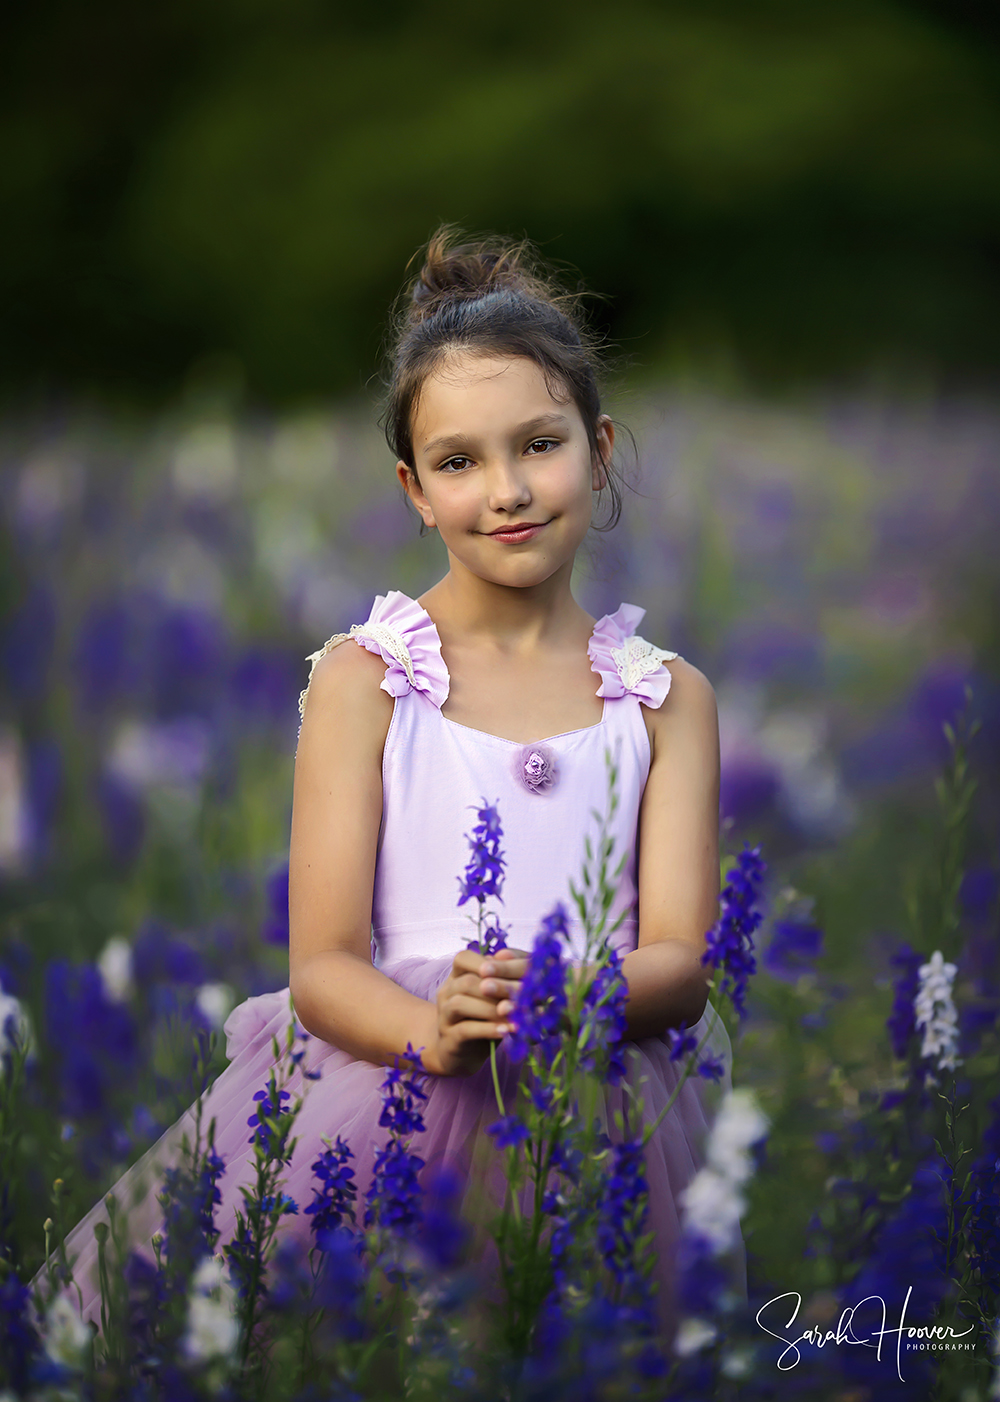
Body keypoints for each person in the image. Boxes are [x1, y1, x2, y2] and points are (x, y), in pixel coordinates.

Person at [48, 228, 736, 1343]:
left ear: (598, 449)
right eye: (459, 462)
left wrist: (566, 994)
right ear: (414, 490)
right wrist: (434, 1034)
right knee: (369, 1341)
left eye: (540, 445)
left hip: (592, 1104)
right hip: (392, 1094)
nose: (507, 489)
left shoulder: (665, 698)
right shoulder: (370, 677)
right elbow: (320, 965)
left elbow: (680, 960)